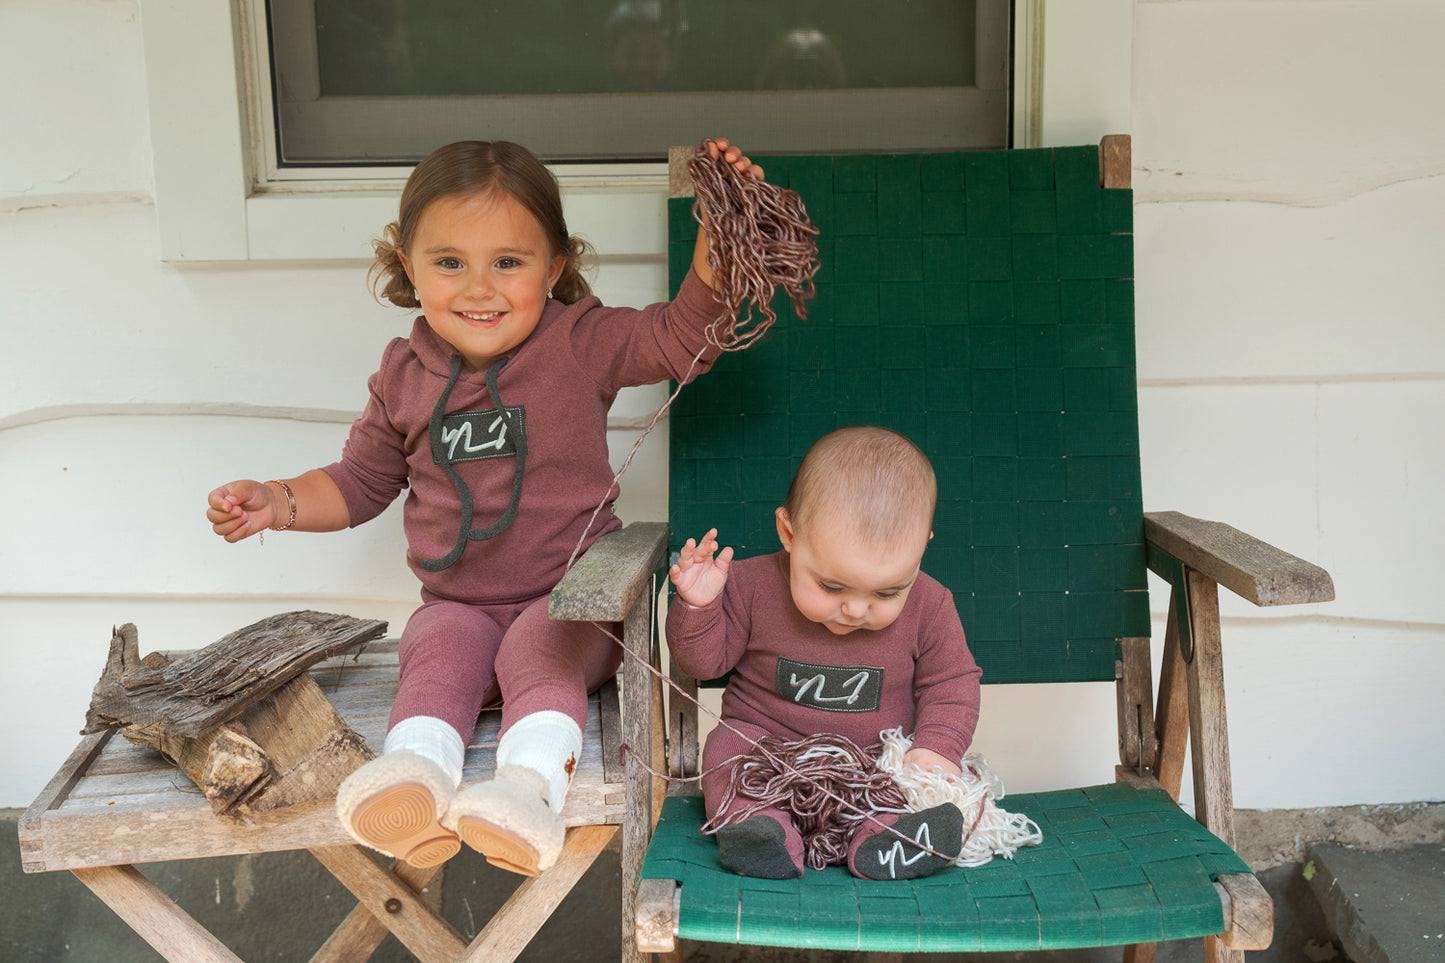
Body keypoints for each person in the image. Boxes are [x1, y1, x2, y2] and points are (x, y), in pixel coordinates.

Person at [207, 137, 765, 876]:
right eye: (449, 263)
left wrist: (716, 252)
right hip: (460, 603)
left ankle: (524, 794)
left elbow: (677, 340)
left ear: (554, 266)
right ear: (408, 267)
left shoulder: (578, 342)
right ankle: (411, 778)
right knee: (434, 648)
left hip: (569, 605)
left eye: (508, 261)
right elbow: (359, 480)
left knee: (539, 647)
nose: (480, 288)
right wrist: (276, 500)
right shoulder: (404, 374)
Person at [666, 425, 983, 880]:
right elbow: (701, 663)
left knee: (903, 783)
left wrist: (937, 750)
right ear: (789, 532)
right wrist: (699, 606)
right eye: (831, 586)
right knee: (725, 751)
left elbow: (952, 683)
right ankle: (760, 829)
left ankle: (889, 838)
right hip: (766, 750)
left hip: (871, 763)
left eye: (887, 591)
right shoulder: (751, 586)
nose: (856, 609)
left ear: (921, 550)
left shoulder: (930, 605)